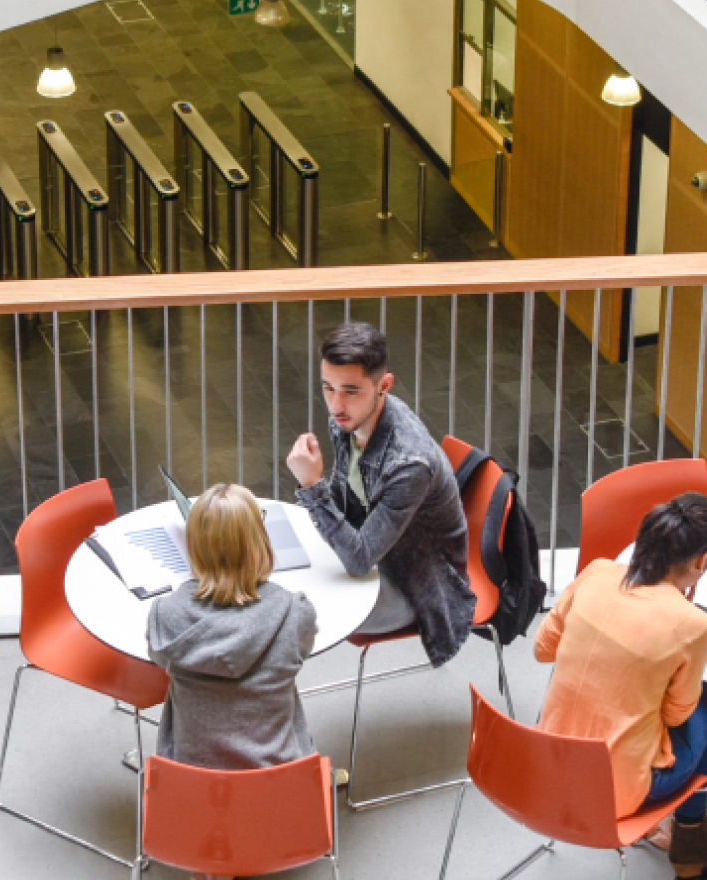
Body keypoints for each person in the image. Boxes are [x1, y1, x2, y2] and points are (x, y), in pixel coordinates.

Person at [534, 493, 707, 877]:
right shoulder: (693, 625)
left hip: (549, 762)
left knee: (673, 698)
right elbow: (678, 713)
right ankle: (691, 837)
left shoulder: (596, 572)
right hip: (621, 791)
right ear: (702, 560)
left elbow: (544, 649)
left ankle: (691, 836)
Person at [147, 484, 318, 880]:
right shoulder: (296, 613)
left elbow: (159, 661)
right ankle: (254, 833)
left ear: (193, 548)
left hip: (191, 795)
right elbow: (300, 653)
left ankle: (214, 857)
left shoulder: (164, 615)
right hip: (279, 793)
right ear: (261, 545)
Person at [286, 321, 474, 667]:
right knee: (283, 579)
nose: (336, 405)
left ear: (383, 386)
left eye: (350, 391)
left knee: (289, 613)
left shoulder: (409, 464)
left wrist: (313, 488)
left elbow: (358, 561)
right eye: (328, 388)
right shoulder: (348, 421)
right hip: (378, 552)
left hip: (418, 585)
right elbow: (347, 504)